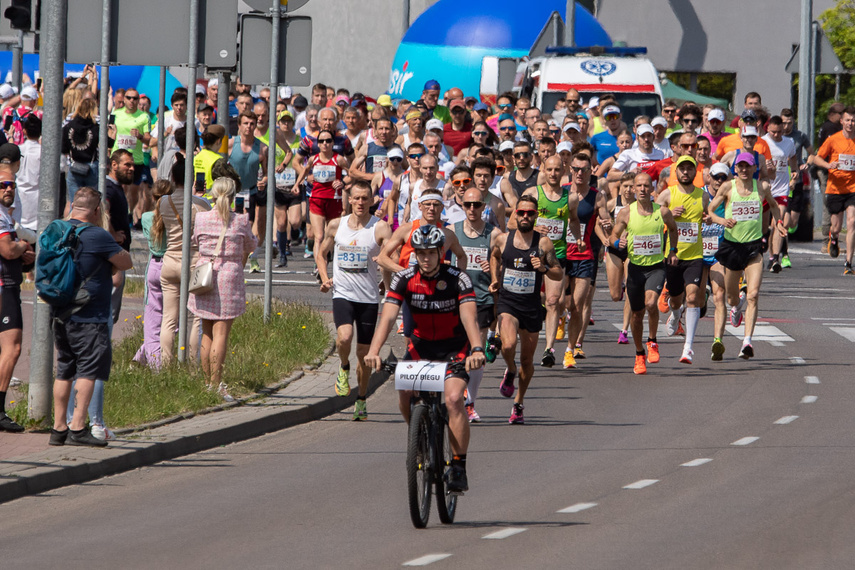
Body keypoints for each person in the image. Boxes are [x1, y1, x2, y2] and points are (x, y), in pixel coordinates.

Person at [365, 224, 485, 493]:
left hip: (455, 347)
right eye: (420, 253)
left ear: (441, 252)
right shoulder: (404, 278)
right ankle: (417, 437)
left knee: (454, 399)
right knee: (405, 390)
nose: (426, 258)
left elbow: (469, 316)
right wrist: (374, 351)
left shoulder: (457, 278)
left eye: (431, 253)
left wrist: (477, 349)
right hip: (421, 346)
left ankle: (457, 465)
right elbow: (387, 316)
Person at [49, 187, 133, 447]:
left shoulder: (57, 231)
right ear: (97, 211)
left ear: (73, 205)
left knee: (64, 369)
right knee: (88, 370)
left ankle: (58, 428)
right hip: (90, 315)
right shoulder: (98, 235)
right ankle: (78, 428)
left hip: (62, 312)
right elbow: (126, 262)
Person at [317, 182, 391, 418]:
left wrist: (389, 288)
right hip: (343, 294)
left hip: (368, 298)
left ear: (372, 200)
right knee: (344, 336)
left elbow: (388, 259)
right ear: (349, 199)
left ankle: (361, 399)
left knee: (364, 354)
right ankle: (343, 366)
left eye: (365, 198)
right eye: (356, 198)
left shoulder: (379, 228)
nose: (360, 202)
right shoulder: (336, 225)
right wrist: (325, 278)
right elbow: (321, 253)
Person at [490, 194, 562, 423]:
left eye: (530, 213)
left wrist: (544, 269)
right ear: (514, 214)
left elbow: (558, 273)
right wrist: (495, 278)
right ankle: (510, 369)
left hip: (531, 306)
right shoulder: (503, 239)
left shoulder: (543, 243)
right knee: (508, 344)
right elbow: (494, 256)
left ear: (536, 215)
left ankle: (518, 403)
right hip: (508, 303)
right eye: (521, 212)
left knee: (528, 361)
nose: (525, 216)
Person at [708, 153, 787, 359]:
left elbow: (774, 205)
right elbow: (710, 209)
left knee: (753, 295)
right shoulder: (727, 187)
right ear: (736, 169)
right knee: (732, 297)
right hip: (732, 247)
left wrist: (778, 223)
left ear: (754, 168)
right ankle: (736, 307)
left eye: (747, 166)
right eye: (740, 166)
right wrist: (720, 220)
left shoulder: (762, 188)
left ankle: (746, 343)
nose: (743, 169)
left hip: (753, 248)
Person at [190, 177, 257, 399]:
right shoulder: (240, 220)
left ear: (213, 194)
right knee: (221, 332)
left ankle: (208, 383)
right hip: (229, 274)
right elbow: (250, 245)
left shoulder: (201, 217)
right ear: (232, 196)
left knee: (206, 330)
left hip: (205, 272)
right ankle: (217, 384)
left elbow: (195, 241)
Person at [609, 173, 678, 374]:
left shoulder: (663, 212)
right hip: (635, 269)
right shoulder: (626, 213)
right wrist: (616, 242)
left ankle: (652, 341)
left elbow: (673, 229)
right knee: (637, 314)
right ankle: (639, 354)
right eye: (637, 185)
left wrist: (672, 251)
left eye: (645, 185)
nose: (641, 189)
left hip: (656, 267)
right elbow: (614, 234)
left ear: (651, 188)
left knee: (650, 303)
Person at [520, 155, 583, 367]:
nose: (554, 174)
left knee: (553, 300)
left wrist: (579, 237)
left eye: (558, 170)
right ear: (543, 171)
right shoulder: (532, 194)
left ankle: (549, 349)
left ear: (563, 170)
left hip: (557, 256)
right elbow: (514, 222)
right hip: (532, 254)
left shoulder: (571, 198)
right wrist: (533, 227)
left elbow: (573, 220)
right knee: (535, 300)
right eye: (550, 170)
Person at [452, 187, 502, 422]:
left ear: (484, 207)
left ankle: (470, 401)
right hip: (455, 298)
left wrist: (493, 269)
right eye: (468, 204)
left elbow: (505, 262)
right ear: (462, 205)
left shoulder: (493, 234)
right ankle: (456, 394)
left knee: (477, 351)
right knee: (457, 350)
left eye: (477, 205)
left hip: (481, 298)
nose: (472, 209)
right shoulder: (452, 231)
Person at [655, 156, 708, 364]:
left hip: (695, 255)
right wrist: (668, 215)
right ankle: (676, 315)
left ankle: (688, 347)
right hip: (673, 255)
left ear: (695, 173)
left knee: (693, 297)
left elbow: (711, 214)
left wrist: (709, 218)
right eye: (682, 169)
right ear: (676, 172)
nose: (685, 172)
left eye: (689, 169)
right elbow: (651, 219)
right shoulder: (668, 194)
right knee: (676, 300)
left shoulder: (703, 196)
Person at [159, 157, 212, 363]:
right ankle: (191, 365)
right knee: (195, 317)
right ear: (191, 178)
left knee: (169, 319)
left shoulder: (164, 202)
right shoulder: (201, 204)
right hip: (193, 261)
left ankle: (164, 365)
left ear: (172, 177)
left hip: (170, 260)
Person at [561, 152, 610, 368]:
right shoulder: (561, 193)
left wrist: (609, 228)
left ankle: (570, 349)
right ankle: (559, 318)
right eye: (576, 169)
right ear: (570, 170)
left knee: (578, 306)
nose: (580, 173)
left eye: (584, 169)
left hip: (584, 254)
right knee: (558, 301)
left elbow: (605, 219)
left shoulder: (597, 195)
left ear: (591, 172)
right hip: (561, 255)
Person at [0, 172, 34, 432]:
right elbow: (8, 250)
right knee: (13, 348)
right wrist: (21, 247)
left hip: (9, 284)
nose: (9, 189)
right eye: (3, 185)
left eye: (12, 184)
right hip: (4, 288)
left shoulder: (7, 215)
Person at [293, 128, 350, 265]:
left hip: (333, 200)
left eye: (328, 141)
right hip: (316, 199)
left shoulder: (339, 159)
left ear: (332, 143)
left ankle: (326, 259)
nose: (325, 143)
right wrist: (298, 184)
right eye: (321, 141)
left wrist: (342, 182)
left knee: (332, 236)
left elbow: (352, 174)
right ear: (318, 144)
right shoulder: (314, 159)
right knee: (318, 236)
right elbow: (305, 170)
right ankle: (319, 267)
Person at [133, 179, 171, 368]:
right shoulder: (176, 218)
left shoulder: (147, 217)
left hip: (155, 266)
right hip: (172, 264)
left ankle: (144, 359)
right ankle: (155, 364)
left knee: (153, 322)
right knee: (172, 320)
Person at [813, 105, 855, 274]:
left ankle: (849, 263)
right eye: (847, 120)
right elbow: (816, 158)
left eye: (853, 120)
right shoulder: (833, 139)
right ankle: (834, 238)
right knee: (836, 226)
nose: (850, 123)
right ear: (841, 121)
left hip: (853, 188)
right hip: (835, 188)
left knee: (852, 221)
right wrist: (828, 165)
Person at [111, 88, 152, 226]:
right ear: (125, 99)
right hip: (117, 157)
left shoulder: (144, 116)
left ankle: (129, 212)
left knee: (133, 192)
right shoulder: (115, 113)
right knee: (119, 187)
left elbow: (148, 139)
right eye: (129, 98)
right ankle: (118, 213)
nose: (132, 101)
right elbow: (109, 132)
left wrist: (140, 136)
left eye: (135, 98)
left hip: (136, 159)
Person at [762, 116, 797, 273]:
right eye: (773, 132)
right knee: (766, 228)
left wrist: (795, 173)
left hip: (781, 189)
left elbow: (793, 159)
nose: (776, 135)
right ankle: (769, 254)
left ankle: (775, 257)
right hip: (765, 188)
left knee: (779, 222)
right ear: (767, 129)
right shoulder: (762, 142)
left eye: (779, 132)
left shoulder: (788, 143)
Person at [62, 98, 114, 203]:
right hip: (92, 166)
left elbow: (63, 149)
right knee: (91, 203)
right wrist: (113, 133)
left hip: (74, 166)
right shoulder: (95, 128)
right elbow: (109, 143)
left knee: (74, 203)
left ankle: (74, 219)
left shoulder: (69, 127)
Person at [703, 163, 731, 361]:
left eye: (723, 177)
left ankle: (717, 341)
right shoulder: (699, 195)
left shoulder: (731, 198)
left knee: (719, 295)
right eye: (716, 177)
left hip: (718, 254)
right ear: (709, 178)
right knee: (692, 300)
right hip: (696, 253)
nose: (719, 181)